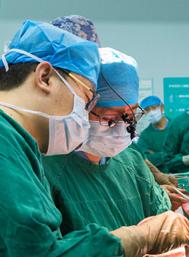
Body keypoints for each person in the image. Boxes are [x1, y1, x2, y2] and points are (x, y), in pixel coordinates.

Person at [0, 20, 189, 257]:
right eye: (85, 100)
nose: (81, 113)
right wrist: (138, 238)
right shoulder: (15, 149)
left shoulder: (17, 144)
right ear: (45, 76)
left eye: (131, 116)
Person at [43, 47, 171, 234]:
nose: (122, 127)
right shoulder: (46, 171)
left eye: (130, 115)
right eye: (109, 118)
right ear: (80, 109)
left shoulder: (132, 163)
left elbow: (160, 216)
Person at [137, 95, 170, 172]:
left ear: (162, 107)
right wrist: (169, 155)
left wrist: (155, 155)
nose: (151, 112)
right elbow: (143, 159)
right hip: (160, 175)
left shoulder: (176, 126)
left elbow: (184, 152)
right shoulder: (145, 135)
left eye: (154, 108)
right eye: (147, 110)